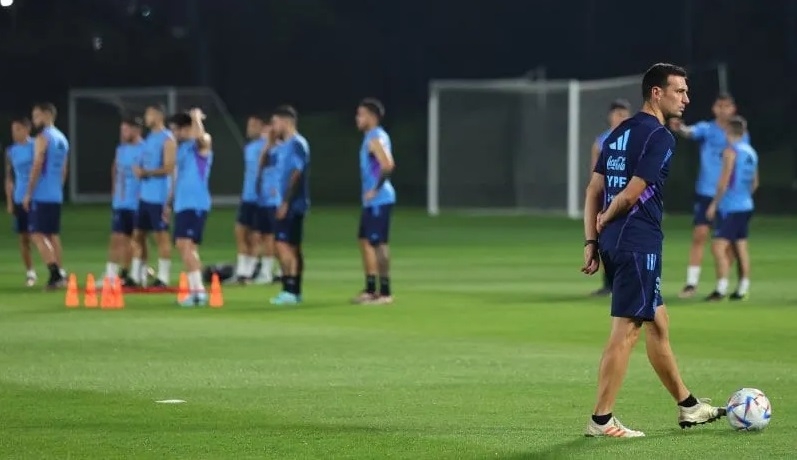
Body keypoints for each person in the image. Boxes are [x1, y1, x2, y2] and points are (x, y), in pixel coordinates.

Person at [582, 63, 724, 437]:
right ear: (657, 93)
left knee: (658, 323)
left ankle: (688, 405)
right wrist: (606, 218)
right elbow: (630, 195)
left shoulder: (618, 133)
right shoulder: (659, 136)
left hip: (614, 243)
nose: (686, 98)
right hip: (636, 243)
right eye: (680, 91)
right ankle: (601, 419)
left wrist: (592, 240)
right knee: (626, 331)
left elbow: (593, 190)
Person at [669, 93, 748, 298]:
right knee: (700, 234)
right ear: (714, 108)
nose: (722, 109)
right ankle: (691, 283)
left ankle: (725, 284)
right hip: (706, 192)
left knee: (729, 244)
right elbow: (690, 132)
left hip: (730, 196)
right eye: (719, 106)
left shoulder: (740, 133)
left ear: (733, 109)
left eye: (726, 106)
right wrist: (680, 128)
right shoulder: (707, 128)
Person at [705, 116, 758, 301]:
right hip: (746, 205)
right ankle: (743, 288)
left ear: (728, 131)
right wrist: (743, 198)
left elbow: (724, 181)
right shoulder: (751, 152)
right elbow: (755, 183)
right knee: (740, 247)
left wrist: (714, 204)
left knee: (718, 247)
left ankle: (721, 289)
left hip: (730, 207)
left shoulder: (730, 151)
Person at [351, 98, 396, 305]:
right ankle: (370, 289)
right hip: (371, 202)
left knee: (379, 244)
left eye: (361, 114)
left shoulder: (376, 137)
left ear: (372, 117)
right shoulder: (371, 137)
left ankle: (385, 292)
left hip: (380, 199)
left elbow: (387, 165)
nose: (357, 118)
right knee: (364, 240)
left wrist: (375, 190)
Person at [23, 103, 70, 289]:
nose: (34, 120)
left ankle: (54, 273)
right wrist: (58, 189)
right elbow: (64, 169)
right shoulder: (62, 138)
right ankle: (61, 273)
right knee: (52, 235)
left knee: (36, 234)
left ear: (47, 115)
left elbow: (37, 164)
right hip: (55, 193)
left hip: (42, 194)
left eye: (37, 115)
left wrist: (28, 192)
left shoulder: (43, 137)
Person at [170, 109, 213, 307]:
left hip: (194, 203)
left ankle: (199, 293)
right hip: (183, 204)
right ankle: (195, 292)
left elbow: (202, 140)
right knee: (188, 248)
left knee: (184, 245)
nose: (174, 134)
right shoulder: (182, 149)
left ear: (186, 128)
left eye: (176, 130)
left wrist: (196, 118)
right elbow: (177, 177)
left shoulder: (201, 144)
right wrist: (169, 202)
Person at [268, 105, 310, 306]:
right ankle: (293, 290)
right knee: (289, 247)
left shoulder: (297, 144)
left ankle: (290, 290)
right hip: (286, 202)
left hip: (293, 204)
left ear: (286, 122)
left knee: (284, 246)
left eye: (275, 122)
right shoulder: (284, 145)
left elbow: (296, 174)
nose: (273, 126)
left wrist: (286, 201)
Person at [589, 99, 631, 297]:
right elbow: (595, 173)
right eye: (618, 114)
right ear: (610, 116)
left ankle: (628, 282)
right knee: (606, 241)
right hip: (607, 197)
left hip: (627, 197)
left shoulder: (633, 140)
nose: (621, 118)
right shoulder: (601, 141)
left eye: (624, 115)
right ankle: (609, 283)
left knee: (629, 240)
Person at [132, 104, 176, 287]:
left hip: (159, 197)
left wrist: (146, 172)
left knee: (161, 237)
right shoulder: (149, 138)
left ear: (159, 116)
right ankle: (137, 275)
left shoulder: (168, 139)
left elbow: (169, 168)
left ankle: (163, 277)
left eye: (149, 114)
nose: (146, 118)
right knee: (138, 235)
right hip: (145, 196)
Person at [104, 116, 145, 285]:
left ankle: (135, 274)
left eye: (126, 130)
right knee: (117, 238)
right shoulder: (121, 149)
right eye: (122, 130)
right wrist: (115, 190)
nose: (123, 133)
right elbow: (115, 168)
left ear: (136, 130)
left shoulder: (145, 149)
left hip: (137, 203)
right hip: (120, 203)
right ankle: (110, 276)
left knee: (136, 240)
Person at [234, 114, 272, 283]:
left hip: (261, 198)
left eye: (253, 125)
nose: (249, 129)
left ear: (262, 126)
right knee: (241, 233)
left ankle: (262, 272)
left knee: (260, 237)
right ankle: (243, 272)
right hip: (247, 196)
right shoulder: (249, 147)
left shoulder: (269, 146)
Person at [5, 117, 36, 286]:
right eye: (12, 130)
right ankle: (30, 273)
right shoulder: (11, 151)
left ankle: (55, 270)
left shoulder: (36, 146)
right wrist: (10, 201)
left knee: (40, 236)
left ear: (26, 129)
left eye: (17, 129)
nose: (14, 133)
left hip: (36, 197)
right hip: (19, 198)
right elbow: (9, 178)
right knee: (24, 238)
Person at [253, 118, 282, 285]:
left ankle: (268, 272)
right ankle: (273, 270)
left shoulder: (280, 149)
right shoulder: (268, 149)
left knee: (270, 237)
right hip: (263, 199)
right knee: (262, 236)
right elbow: (261, 164)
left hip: (274, 200)